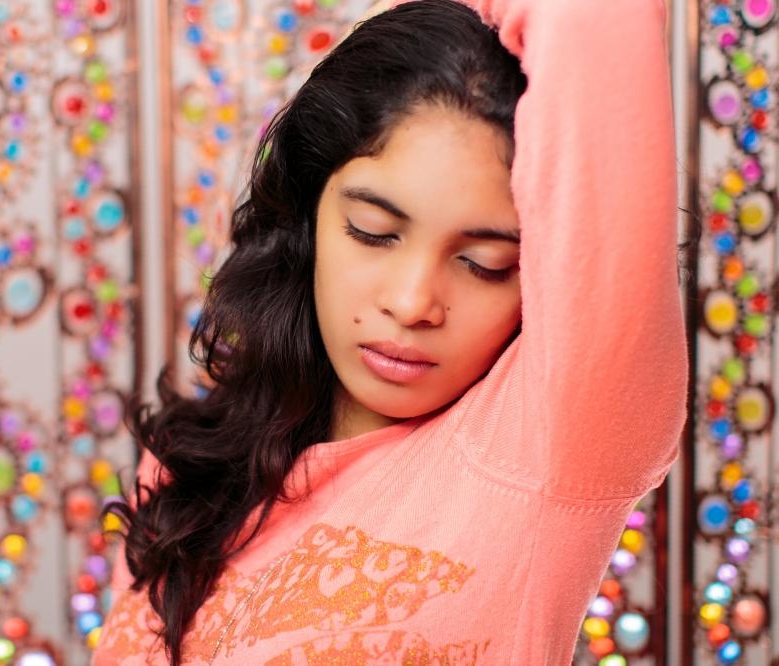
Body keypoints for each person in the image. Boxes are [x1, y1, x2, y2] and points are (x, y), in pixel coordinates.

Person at [94, 0, 687, 663]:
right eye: (373, 232)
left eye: (484, 264)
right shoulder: (188, 467)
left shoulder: (546, 448)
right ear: (308, 215)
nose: (412, 304)